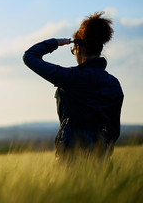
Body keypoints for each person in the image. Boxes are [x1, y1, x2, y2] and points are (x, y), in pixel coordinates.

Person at [23, 12, 124, 161]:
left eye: (73, 50)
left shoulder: (70, 78)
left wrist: (56, 42)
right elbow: (114, 131)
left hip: (70, 157)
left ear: (78, 48)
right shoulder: (114, 84)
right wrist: (102, 152)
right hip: (100, 158)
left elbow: (30, 56)